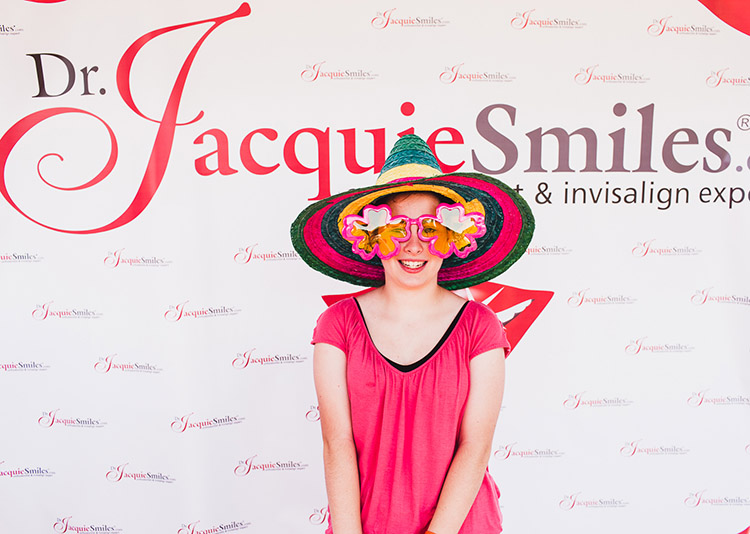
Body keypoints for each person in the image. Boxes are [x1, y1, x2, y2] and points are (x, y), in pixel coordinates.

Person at [290, 135, 534, 534]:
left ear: (455, 236)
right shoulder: (338, 324)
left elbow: (475, 447)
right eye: (396, 230)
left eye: (431, 229)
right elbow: (337, 443)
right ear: (370, 236)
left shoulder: (481, 326)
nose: (414, 246)